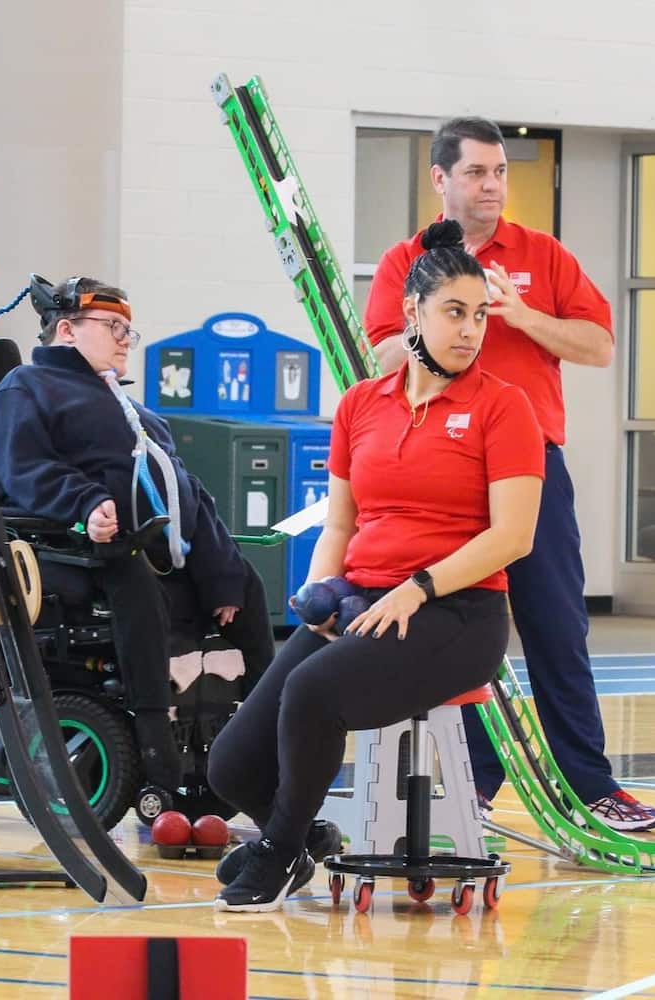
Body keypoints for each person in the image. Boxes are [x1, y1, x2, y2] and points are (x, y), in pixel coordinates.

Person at [207, 221, 545, 912]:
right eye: (455, 312)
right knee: (230, 763)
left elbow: (513, 536)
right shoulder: (362, 404)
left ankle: (279, 852)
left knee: (313, 693)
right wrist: (319, 592)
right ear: (413, 313)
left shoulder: (504, 407)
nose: (471, 330)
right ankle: (304, 835)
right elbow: (340, 523)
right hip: (361, 602)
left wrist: (418, 588)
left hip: (458, 613)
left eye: (481, 315)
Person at [363, 117, 655, 832]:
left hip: (530, 466)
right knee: (467, 630)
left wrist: (522, 315)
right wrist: (441, 312)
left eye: (499, 171)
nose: (492, 185)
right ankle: (472, 784)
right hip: (444, 470)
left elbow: (598, 345)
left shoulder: (541, 254)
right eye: (476, 172)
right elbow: (378, 359)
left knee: (557, 625)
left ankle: (590, 785)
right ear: (440, 179)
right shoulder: (405, 261)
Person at [0, 276, 276, 793]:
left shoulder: (135, 411)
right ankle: (156, 744)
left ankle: (262, 733)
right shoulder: (27, 388)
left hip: (156, 550)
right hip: (77, 549)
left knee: (244, 584)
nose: (125, 340)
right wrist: (85, 504)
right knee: (131, 571)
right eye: (113, 327)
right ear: (67, 330)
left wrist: (221, 574)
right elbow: (24, 469)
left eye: (128, 331)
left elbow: (187, 492)